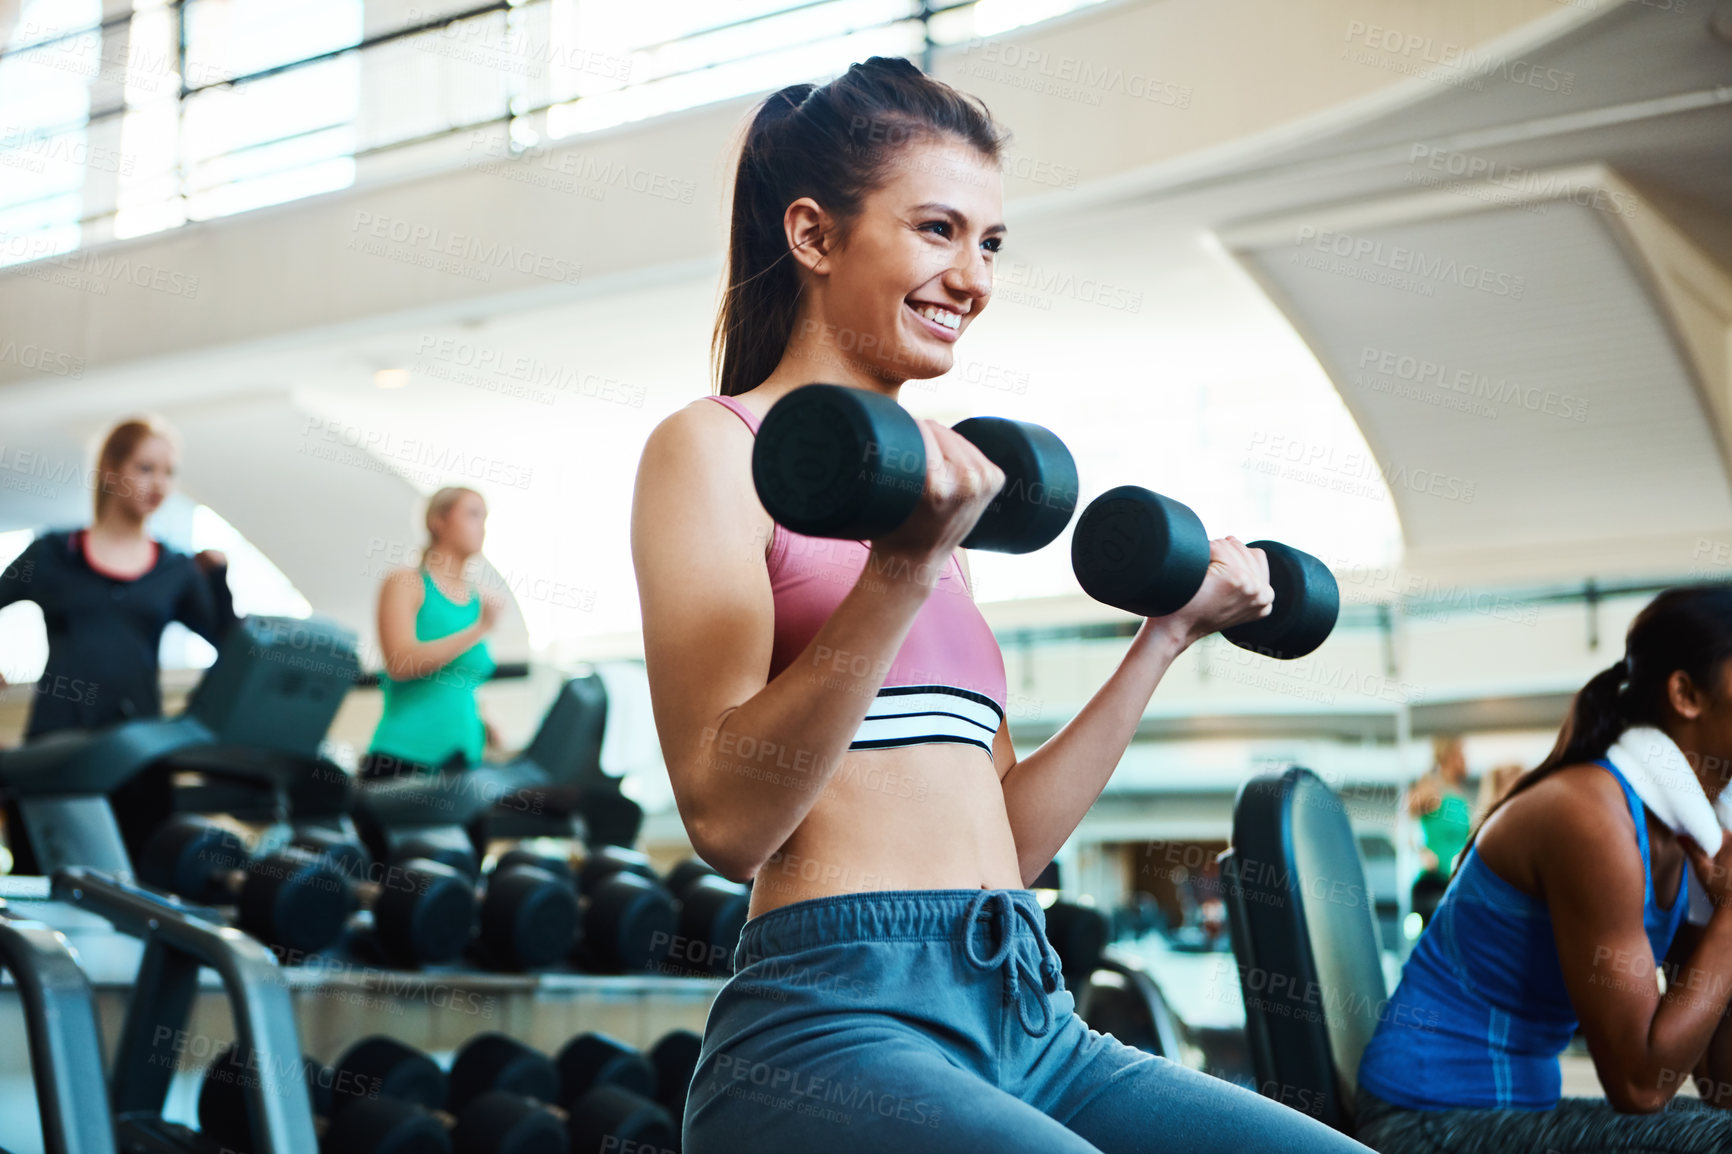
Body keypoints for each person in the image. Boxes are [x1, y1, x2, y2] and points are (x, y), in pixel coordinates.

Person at [631, 57, 1369, 1154]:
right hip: (833, 1021)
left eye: (990, 243)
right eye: (936, 229)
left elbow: (1008, 843)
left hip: (1027, 1006)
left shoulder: (934, 494)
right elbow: (729, 824)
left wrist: (1163, 638)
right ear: (813, 235)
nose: (970, 277)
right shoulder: (712, 449)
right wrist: (901, 567)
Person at [1355, 587, 1732, 1153]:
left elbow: (1718, 1079)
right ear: (1685, 693)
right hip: (1422, 1120)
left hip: (1511, 1109)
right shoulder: (1592, 815)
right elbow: (1639, 1085)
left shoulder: (1689, 839)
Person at [0, 416, 235, 738]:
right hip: (57, 743)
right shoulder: (51, 553)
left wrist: (219, 580)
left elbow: (229, 643)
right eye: (145, 468)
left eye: (169, 472)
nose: (159, 484)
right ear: (110, 471)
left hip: (138, 747)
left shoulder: (176, 569)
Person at [363, 486, 503, 781]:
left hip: (465, 762)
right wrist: (480, 629)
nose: (482, 527)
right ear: (438, 521)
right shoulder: (407, 582)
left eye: (485, 518)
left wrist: (483, 722)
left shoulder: (478, 599)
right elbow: (400, 663)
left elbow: (458, 681)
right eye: (473, 515)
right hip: (405, 760)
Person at [1404, 736, 1473, 927]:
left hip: (1456, 881)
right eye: (1462, 755)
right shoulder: (1432, 788)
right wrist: (1421, 851)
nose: (1466, 760)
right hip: (1433, 883)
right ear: (1448, 756)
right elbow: (1401, 824)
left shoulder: (1459, 793)